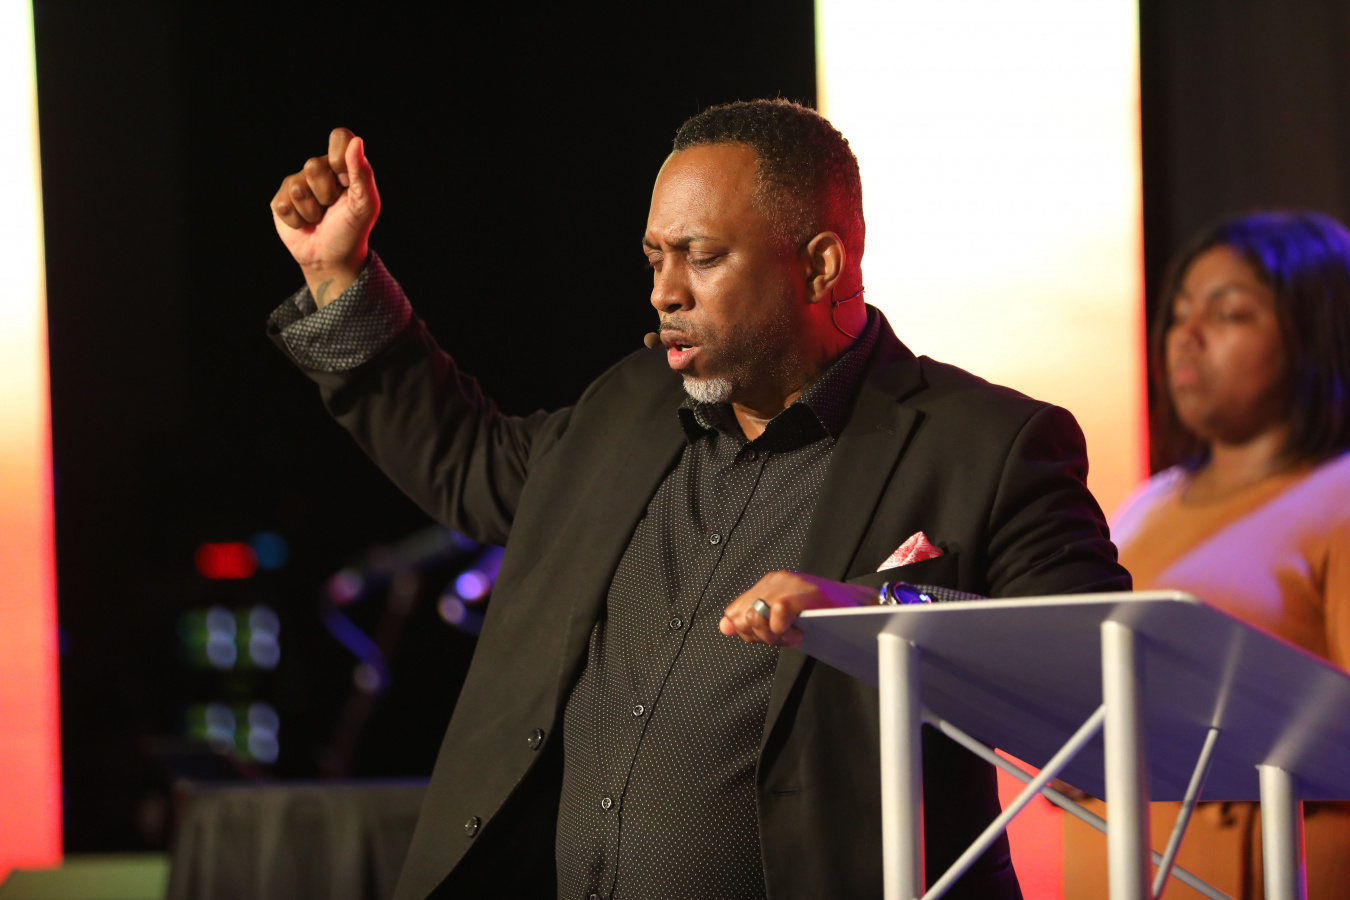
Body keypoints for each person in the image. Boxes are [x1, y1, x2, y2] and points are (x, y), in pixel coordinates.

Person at [268, 99, 1129, 900]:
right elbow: (469, 460)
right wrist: (339, 276)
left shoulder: (988, 447)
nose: (664, 291)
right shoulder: (629, 405)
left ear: (820, 265)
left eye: (702, 257)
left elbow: (1096, 691)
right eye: (656, 258)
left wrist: (874, 614)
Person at [1063, 211, 1350, 900]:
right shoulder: (1150, 501)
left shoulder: (1338, 497)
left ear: (1317, 332)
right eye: (1179, 313)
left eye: (1229, 313)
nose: (1186, 336)